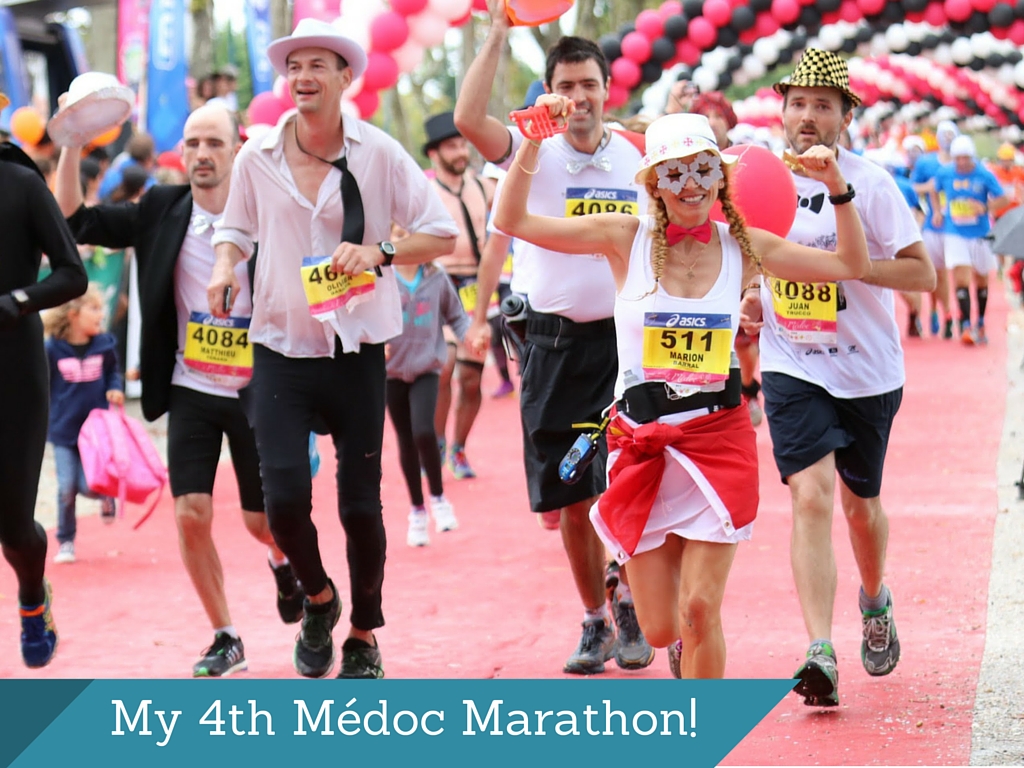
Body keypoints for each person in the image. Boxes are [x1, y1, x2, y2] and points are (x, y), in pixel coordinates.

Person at [494, 106, 871, 679]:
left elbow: (851, 263)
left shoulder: (744, 246)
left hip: (717, 440)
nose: (690, 184)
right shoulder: (625, 237)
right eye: (674, 173)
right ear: (652, 183)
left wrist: (837, 189)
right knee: (664, 624)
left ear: (719, 176)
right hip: (641, 443)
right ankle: (675, 644)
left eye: (701, 169)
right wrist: (527, 147)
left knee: (700, 609)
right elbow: (515, 219)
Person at [207, 18, 458, 680]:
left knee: (358, 506)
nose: (303, 77)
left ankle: (365, 633)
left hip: (357, 351)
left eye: (319, 64)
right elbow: (232, 227)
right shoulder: (255, 156)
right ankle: (319, 597)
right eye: (294, 67)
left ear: (347, 77)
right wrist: (223, 264)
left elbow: (441, 234)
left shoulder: (379, 153)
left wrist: (379, 252)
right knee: (282, 500)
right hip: (280, 347)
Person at [54, 103, 302, 677]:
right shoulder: (162, 207)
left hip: (257, 389)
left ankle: (283, 561)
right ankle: (225, 635)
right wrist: (70, 143)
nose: (201, 155)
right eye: (191, 144)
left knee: (261, 522)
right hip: (190, 385)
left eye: (213, 143)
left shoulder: (270, 212)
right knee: (190, 512)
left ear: (238, 148)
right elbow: (75, 219)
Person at [456, 0, 654, 676]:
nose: (577, 98)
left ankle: (629, 602)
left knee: (620, 485)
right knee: (571, 496)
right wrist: (497, 34)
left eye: (588, 85)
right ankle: (596, 619)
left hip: (625, 355)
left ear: (606, 89)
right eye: (565, 86)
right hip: (551, 352)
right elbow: (465, 120)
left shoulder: (636, 157)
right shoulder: (525, 151)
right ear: (550, 93)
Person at [742, 49, 935, 706]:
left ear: (845, 117)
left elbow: (922, 275)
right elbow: (745, 253)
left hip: (868, 371)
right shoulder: (758, 178)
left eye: (822, 105)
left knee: (860, 507)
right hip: (791, 361)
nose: (807, 116)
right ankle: (818, 648)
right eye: (797, 103)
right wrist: (747, 296)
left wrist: (847, 269)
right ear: (783, 110)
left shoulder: (873, 183)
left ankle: (874, 600)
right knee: (811, 497)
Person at [0, 96, 89, 668]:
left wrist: (17, 301)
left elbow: (71, 273)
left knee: (12, 525)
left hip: (13, 376)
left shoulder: (20, 182)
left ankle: (33, 592)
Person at [423, 111, 494, 479]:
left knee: (470, 377)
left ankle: (459, 448)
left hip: (478, 290)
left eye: (462, 143)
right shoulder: (424, 192)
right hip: (439, 286)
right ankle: (434, 443)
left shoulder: (484, 186)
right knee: (443, 368)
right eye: (452, 145)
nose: (460, 150)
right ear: (434, 154)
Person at [690, 91, 763, 427]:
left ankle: (748, 389)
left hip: (740, 255)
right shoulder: (685, 162)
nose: (713, 122)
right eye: (705, 116)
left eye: (717, 115)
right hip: (696, 260)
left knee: (745, 341)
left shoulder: (745, 161)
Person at [386, 259, 467, 546]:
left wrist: (470, 336)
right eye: (397, 235)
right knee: (405, 440)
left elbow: (456, 315)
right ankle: (417, 512)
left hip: (426, 368)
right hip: (391, 372)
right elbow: (363, 317)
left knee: (424, 431)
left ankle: (439, 498)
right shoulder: (382, 276)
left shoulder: (436, 276)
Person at [43, 285, 125, 564]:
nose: (101, 314)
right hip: (64, 431)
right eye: (94, 308)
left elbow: (114, 372)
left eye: (101, 309)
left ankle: (105, 496)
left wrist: (116, 388)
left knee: (91, 485)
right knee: (66, 488)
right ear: (74, 313)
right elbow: (41, 385)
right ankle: (66, 540)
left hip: (95, 432)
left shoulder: (105, 345)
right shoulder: (52, 349)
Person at [929, 135, 1008, 345]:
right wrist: (936, 211)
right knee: (961, 276)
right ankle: (965, 325)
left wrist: (984, 208)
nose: (962, 163)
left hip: (980, 233)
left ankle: (980, 322)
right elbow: (934, 190)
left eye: (966, 158)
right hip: (954, 231)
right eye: (958, 159)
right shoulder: (945, 172)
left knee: (981, 278)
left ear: (972, 157)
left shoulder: (984, 174)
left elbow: (1003, 198)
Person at [911, 120, 958, 338]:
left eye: (951, 134)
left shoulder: (963, 162)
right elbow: (914, 188)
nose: (947, 139)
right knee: (934, 272)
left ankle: (951, 313)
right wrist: (930, 188)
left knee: (952, 273)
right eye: (943, 134)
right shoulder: (927, 163)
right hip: (934, 224)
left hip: (957, 226)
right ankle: (935, 311)